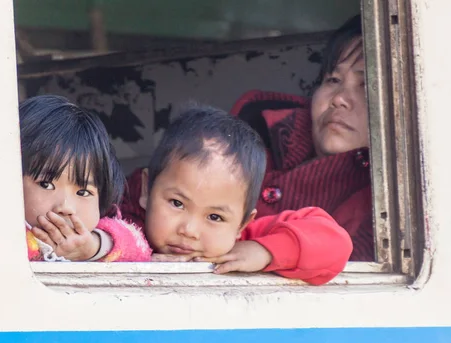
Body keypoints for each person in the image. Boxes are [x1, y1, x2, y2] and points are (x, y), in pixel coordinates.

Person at [123, 14, 373, 261]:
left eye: (365, 86)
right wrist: (130, 246)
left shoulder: (382, 205)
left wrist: (264, 251)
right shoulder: (249, 138)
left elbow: (334, 245)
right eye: (333, 79)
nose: (339, 98)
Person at [128, 104, 353, 285]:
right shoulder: (123, 233)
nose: (189, 231)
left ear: (242, 224)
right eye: (177, 203)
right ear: (147, 190)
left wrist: (263, 251)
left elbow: (336, 243)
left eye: (215, 217)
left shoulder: (244, 244)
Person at [19, 95, 152, 262]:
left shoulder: (97, 240)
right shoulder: (3, 237)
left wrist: (93, 247)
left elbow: (139, 248)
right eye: (46, 184)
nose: (65, 207)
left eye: (83, 192)